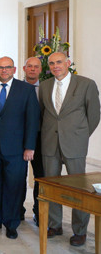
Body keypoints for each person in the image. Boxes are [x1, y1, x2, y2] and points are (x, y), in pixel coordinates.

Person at [39, 52, 100, 247]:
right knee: (52, 186)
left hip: (74, 144)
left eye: (59, 62)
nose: (56, 66)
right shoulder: (45, 85)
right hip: (49, 143)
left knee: (79, 188)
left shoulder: (86, 84)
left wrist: (79, 136)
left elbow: (94, 115)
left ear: (68, 63)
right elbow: (42, 114)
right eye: (52, 63)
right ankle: (54, 225)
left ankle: (80, 230)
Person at [0, 57, 39, 239]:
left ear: (14, 69)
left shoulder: (26, 90)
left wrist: (30, 147)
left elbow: (32, 120)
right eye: (0, 67)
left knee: (14, 186)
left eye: (7, 67)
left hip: (17, 148)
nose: (4, 70)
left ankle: (11, 223)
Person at [21, 56, 43, 226]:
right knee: (18, 177)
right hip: (18, 138)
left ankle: (38, 212)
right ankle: (17, 211)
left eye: (36, 67)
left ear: (40, 70)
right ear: (23, 68)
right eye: (30, 66)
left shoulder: (46, 88)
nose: (33, 69)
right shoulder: (16, 87)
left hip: (41, 139)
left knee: (40, 177)